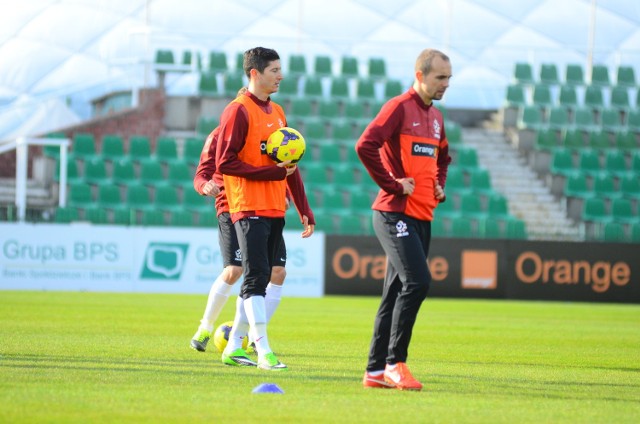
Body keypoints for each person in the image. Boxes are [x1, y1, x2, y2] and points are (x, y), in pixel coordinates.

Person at [355, 48, 452, 391]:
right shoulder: (399, 107)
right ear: (420, 74)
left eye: (449, 78)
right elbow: (365, 145)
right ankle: (396, 363)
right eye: (440, 77)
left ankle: (374, 371)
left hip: (422, 214)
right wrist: (392, 183)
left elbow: (443, 157)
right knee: (418, 282)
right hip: (394, 212)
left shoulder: (437, 118)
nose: (445, 84)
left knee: (395, 291)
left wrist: (439, 184)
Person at [215, 47, 315, 371]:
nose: (280, 76)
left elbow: (290, 165)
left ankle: (233, 347)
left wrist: (303, 207)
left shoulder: (278, 111)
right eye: (274, 70)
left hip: (274, 208)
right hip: (248, 207)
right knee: (255, 280)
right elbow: (225, 162)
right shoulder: (237, 111)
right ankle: (264, 352)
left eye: (280, 70)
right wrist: (271, 173)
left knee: (272, 275)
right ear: (255, 73)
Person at [189, 88, 289, 353]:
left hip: (264, 206)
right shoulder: (218, 135)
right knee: (235, 270)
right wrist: (205, 186)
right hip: (230, 204)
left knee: (277, 273)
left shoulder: (268, 134)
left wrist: (286, 193)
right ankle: (205, 328)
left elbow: (279, 168)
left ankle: (253, 339)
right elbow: (201, 174)